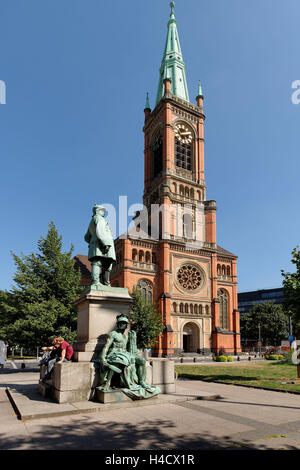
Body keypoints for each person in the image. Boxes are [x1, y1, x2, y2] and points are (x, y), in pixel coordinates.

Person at [95, 314, 161, 400]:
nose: (122, 324)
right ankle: (125, 384)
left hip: (125, 353)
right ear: (117, 323)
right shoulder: (113, 334)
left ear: (126, 325)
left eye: (124, 323)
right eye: (121, 322)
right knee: (125, 362)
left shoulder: (125, 336)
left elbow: (130, 348)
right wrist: (103, 358)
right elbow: (106, 347)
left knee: (142, 360)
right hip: (114, 354)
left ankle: (141, 381)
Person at [84, 204, 116, 288]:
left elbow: (86, 237)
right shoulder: (99, 218)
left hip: (96, 243)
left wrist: (91, 241)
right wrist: (105, 243)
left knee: (106, 264)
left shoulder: (92, 220)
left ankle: (106, 283)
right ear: (97, 211)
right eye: (103, 211)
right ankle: (96, 282)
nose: (104, 213)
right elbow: (100, 231)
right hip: (102, 244)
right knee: (98, 263)